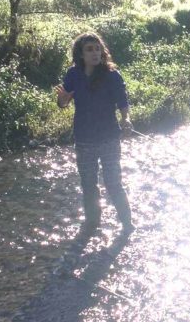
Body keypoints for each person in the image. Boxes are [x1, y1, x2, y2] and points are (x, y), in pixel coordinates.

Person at [55, 32, 134, 240]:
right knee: (88, 184)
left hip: (109, 138)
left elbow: (123, 101)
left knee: (113, 182)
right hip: (84, 140)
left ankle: (127, 224)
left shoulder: (112, 75)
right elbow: (63, 103)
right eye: (89, 49)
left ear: (102, 51)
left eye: (97, 48)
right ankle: (92, 223)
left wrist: (126, 119)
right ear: (80, 54)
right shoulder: (73, 75)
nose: (95, 53)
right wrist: (62, 100)